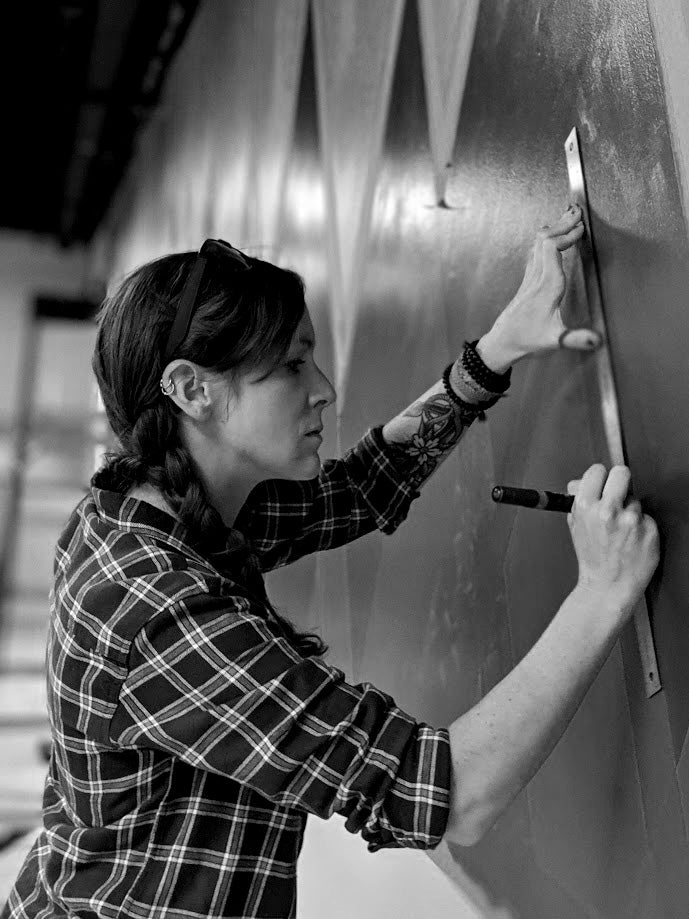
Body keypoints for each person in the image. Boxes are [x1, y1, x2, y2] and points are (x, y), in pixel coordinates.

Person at [1, 205, 659, 919]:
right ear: (193, 389)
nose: (323, 387)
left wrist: (493, 352)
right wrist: (599, 591)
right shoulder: (154, 608)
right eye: (289, 365)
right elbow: (444, 792)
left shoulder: (152, 507)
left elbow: (357, 491)